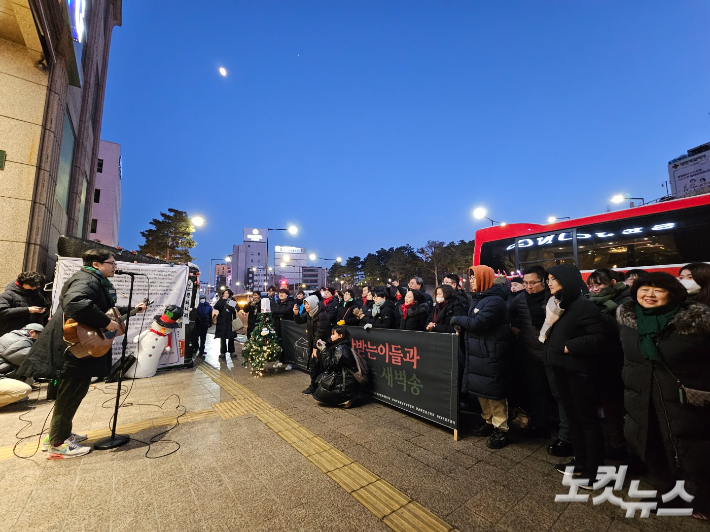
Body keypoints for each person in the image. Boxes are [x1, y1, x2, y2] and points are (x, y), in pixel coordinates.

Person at [17, 249, 146, 458]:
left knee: (71, 393)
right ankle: (58, 444)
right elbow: (76, 303)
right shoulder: (87, 279)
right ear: (96, 264)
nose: (115, 266)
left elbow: (101, 309)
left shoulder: (92, 280)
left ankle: (60, 434)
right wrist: (105, 322)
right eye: (111, 262)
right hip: (74, 346)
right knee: (70, 393)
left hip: (78, 346)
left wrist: (131, 309)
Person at [617, 272, 709, 519]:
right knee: (651, 447)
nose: (649, 294)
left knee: (692, 453)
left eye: (657, 290)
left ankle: (701, 502)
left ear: (673, 293)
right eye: (644, 289)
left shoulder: (694, 322)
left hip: (683, 400)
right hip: (642, 398)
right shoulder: (629, 321)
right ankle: (667, 494)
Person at [540, 264, 607, 487]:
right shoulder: (558, 305)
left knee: (587, 420)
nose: (548, 282)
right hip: (560, 369)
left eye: (553, 279)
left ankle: (594, 470)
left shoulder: (583, 306)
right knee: (572, 417)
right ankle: (580, 461)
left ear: (566, 281)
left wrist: (569, 347)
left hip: (579, 372)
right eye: (548, 279)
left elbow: (599, 338)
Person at [451, 265, 514, 448]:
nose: (471, 281)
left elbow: (478, 323)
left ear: (485, 278)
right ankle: (488, 421)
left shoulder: (495, 300)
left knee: (494, 393)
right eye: (470, 278)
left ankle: (501, 429)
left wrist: (457, 319)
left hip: (491, 354)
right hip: (478, 354)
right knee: (481, 390)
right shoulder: (478, 299)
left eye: (474, 278)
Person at [508, 266, 566, 445]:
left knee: (559, 394)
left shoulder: (554, 299)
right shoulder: (519, 300)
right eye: (525, 283)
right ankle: (540, 426)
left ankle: (564, 431)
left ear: (543, 281)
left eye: (533, 282)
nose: (529, 286)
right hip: (530, 355)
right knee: (536, 392)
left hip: (552, 355)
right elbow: (511, 317)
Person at [312, 326, 360, 408]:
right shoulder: (339, 345)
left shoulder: (341, 348)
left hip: (345, 382)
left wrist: (324, 350)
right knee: (319, 385)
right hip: (343, 379)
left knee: (321, 393)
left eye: (333, 334)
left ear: (340, 336)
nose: (331, 336)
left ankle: (346, 398)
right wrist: (322, 349)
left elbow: (330, 366)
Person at [294, 295, 331, 395]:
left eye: (308, 304)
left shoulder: (322, 315)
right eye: (305, 304)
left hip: (321, 344)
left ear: (314, 303)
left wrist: (315, 348)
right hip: (314, 342)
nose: (306, 306)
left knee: (315, 364)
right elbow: (299, 321)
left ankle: (315, 386)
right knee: (315, 365)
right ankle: (315, 385)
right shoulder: (309, 313)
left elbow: (319, 333)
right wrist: (296, 314)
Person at [0, 271, 48, 336]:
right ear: (24, 283)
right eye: (33, 285)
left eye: (37, 286)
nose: (34, 288)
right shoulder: (8, 294)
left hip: (33, 333)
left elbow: (46, 306)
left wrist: (42, 311)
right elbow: (2, 312)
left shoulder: (37, 294)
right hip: (12, 332)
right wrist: (27, 310)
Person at [213, 288, 236, 356]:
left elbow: (234, 310)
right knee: (222, 337)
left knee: (231, 337)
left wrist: (228, 306)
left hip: (230, 321)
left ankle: (232, 351)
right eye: (225, 293)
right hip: (222, 321)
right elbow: (216, 307)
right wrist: (223, 300)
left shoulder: (232, 300)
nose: (226, 295)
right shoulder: (221, 300)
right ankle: (222, 352)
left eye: (228, 293)